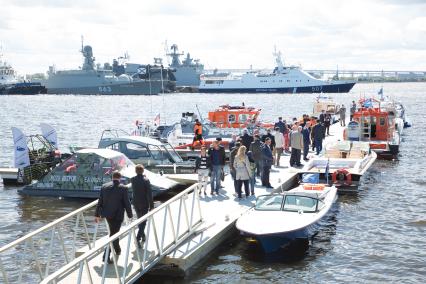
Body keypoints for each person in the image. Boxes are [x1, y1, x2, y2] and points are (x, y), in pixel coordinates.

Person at [95, 171, 133, 263]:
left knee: (114, 233)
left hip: (107, 214)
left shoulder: (104, 187)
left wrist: (97, 214)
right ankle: (106, 256)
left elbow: (100, 201)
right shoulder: (123, 188)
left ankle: (117, 249)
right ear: (120, 178)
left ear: (112, 177)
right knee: (113, 234)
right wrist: (130, 215)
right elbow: (126, 202)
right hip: (118, 215)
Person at [130, 165, 154, 248]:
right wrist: (151, 205)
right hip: (144, 203)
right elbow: (149, 194)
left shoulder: (132, 179)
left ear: (135, 171)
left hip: (136, 203)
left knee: (140, 220)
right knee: (143, 222)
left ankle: (143, 236)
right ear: (143, 171)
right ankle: (137, 238)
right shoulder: (146, 180)